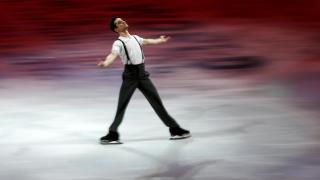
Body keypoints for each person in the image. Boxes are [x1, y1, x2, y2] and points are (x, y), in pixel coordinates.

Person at [97, 17, 191, 144]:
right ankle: (112, 133)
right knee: (122, 105)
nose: (123, 22)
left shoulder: (136, 38)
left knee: (157, 102)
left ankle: (174, 129)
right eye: (119, 22)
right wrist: (106, 63)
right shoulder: (118, 43)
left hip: (142, 75)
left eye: (122, 20)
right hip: (130, 77)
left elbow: (147, 41)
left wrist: (160, 40)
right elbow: (113, 54)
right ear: (116, 29)